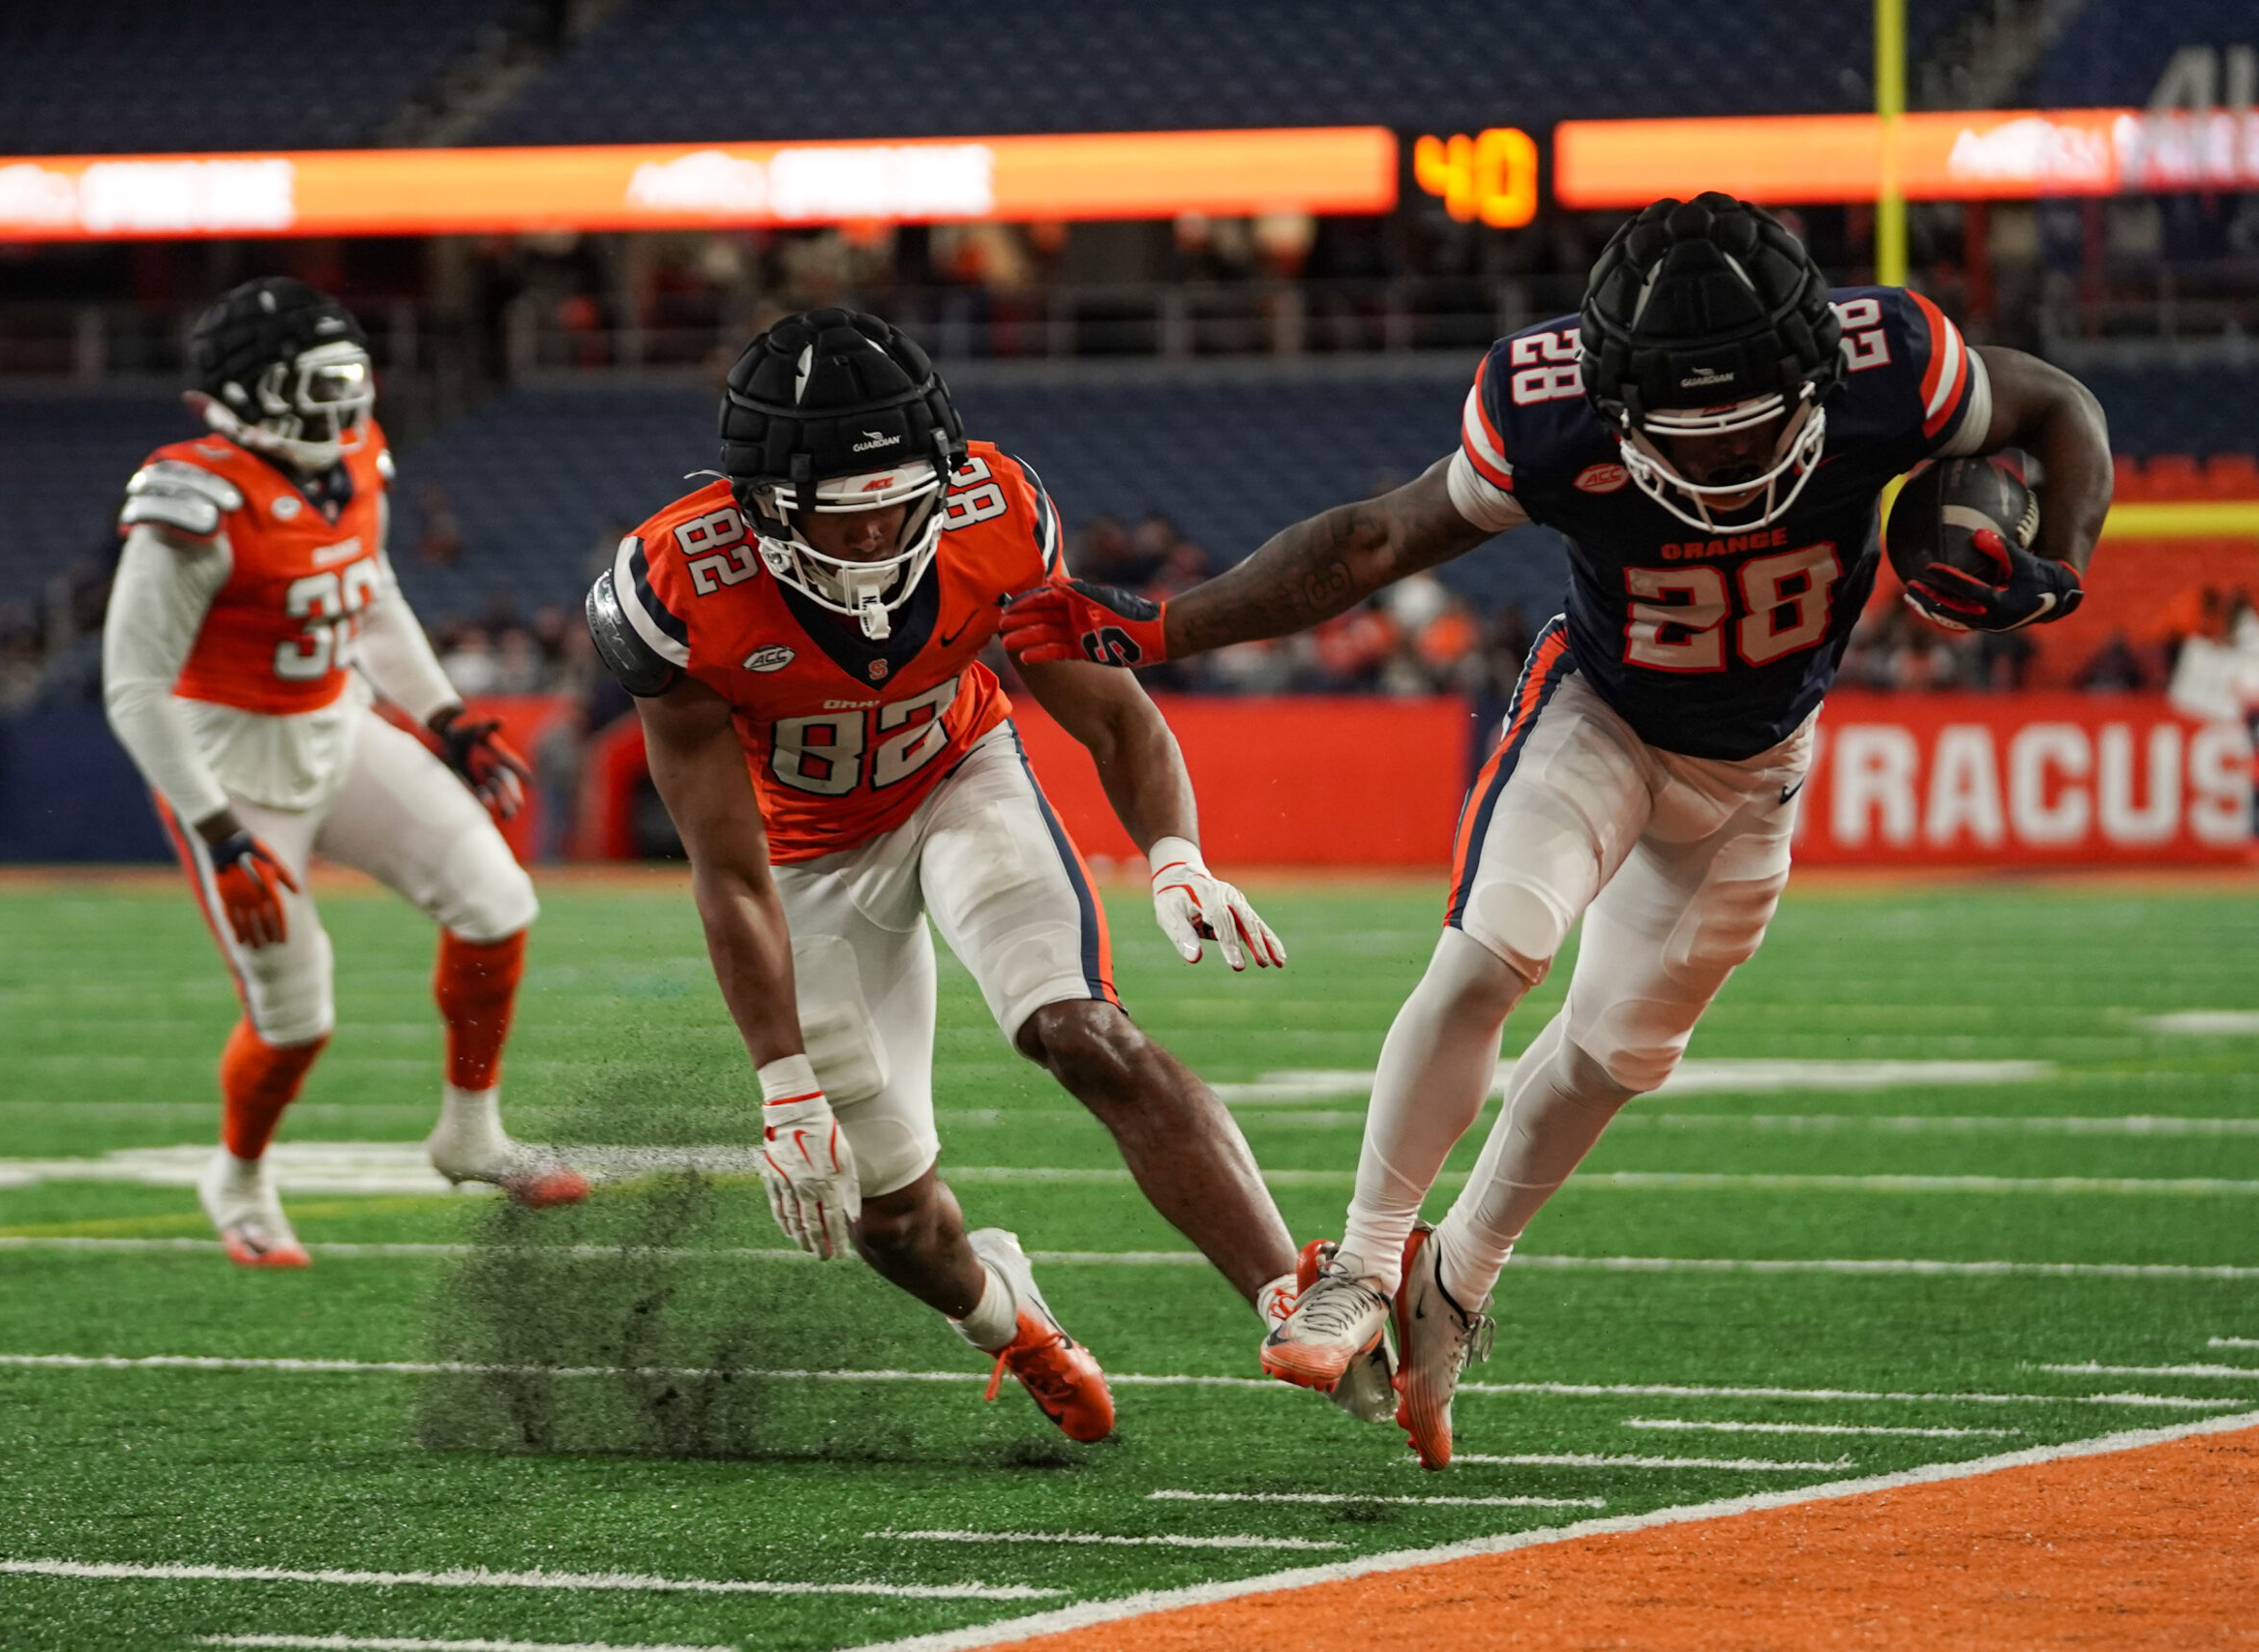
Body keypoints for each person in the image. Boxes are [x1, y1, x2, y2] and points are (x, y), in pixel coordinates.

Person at [1004, 193, 2112, 1467]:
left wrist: (2059, 558)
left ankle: (1455, 1284)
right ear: (1618, 402)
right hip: (1601, 717)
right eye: (1682, 437)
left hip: (1759, 768)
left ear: (1812, 380)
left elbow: (2060, 405)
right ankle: (1361, 1263)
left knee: (1616, 1054)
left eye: (1746, 429)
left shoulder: (1896, 365)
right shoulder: (1547, 408)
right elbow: (1373, 537)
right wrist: (1173, 624)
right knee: (1489, 953)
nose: (1716, 467)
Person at [586, 308, 1323, 1443]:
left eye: (899, 501)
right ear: (765, 505)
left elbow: (1113, 715)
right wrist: (781, 1081)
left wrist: (1175, 858)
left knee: (1084, 1033)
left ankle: (1297, 1298)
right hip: (803, 860)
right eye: (848, 512)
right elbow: (726, 872)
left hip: (959, 778)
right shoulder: (675, 585)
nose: (880, 533)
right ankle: (1011, 1323)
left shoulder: (996, 512)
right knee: (885, 1216)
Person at [102, 276, 587, 1270]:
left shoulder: (356, 456)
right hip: (228, 759)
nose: (341, 405)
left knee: (497, 903)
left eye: (346, 380)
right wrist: (217, 833)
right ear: (246, 393)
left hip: (337, 719)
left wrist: (446, 717)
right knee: (295, 1014)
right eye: (310, 385)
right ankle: (234, 1176)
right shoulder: (194, 498)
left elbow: (369, 598)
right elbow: (135, 689)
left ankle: (470, 1134)